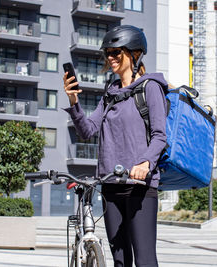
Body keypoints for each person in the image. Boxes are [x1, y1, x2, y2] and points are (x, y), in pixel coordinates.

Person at [63, 25, 167, 267]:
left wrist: (145, 162)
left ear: (133, 54)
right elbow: (88, 130)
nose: (110, 59)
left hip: (139, 185)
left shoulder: (150, 88)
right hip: (110, 185)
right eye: (107, 54)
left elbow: (160, 136)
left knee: (144, 261)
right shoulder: (109, 94)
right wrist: (73, 101)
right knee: (120, 262)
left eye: (116, 53)